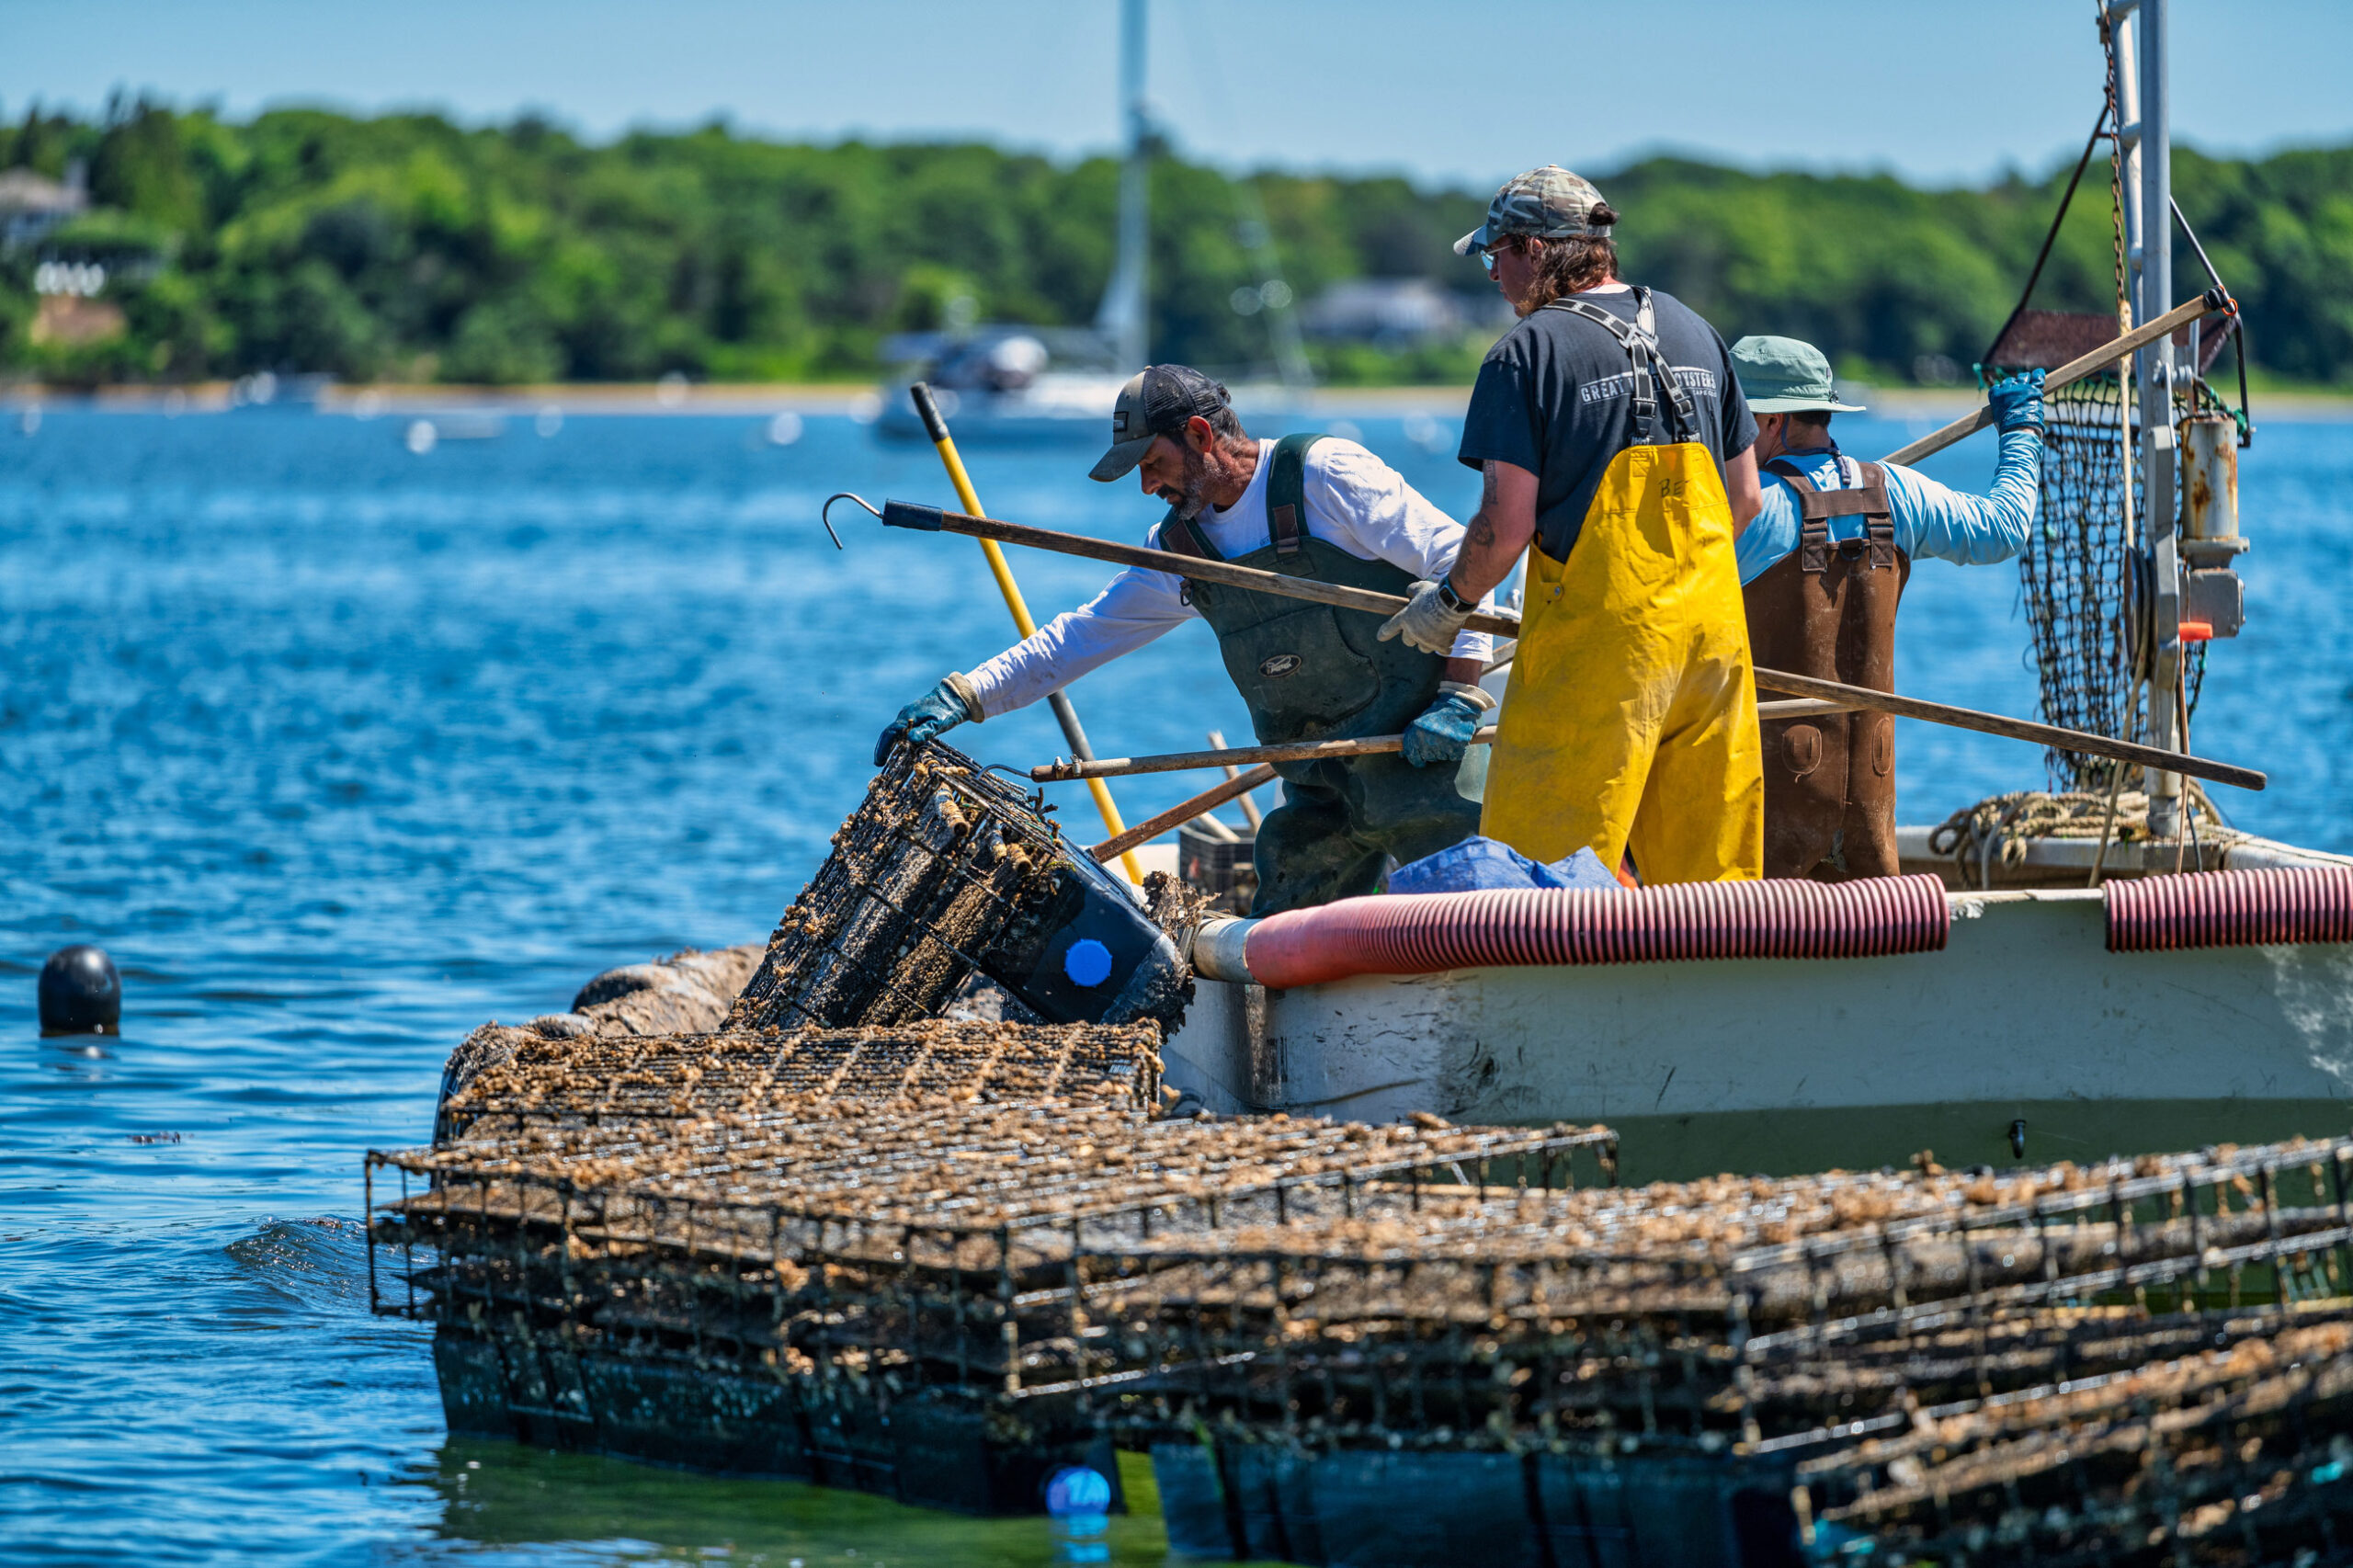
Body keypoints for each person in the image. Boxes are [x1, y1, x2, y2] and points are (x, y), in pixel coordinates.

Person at [876, 364, 1496, 914]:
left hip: (1426, 759)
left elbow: (1465, 557)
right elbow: (1078, 638)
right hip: (1319, 787)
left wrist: (1460, 695)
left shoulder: (1322, 476)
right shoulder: (1180, 549)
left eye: (1154, 465)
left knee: (1473, 914)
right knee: (1281, 926)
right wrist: (964, 696)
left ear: (1200, 436)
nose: (1148, 487)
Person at [1380, 165, 1765, 883]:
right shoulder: (1698, 330)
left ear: (1533, 247)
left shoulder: (1525, 355)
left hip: (1601, 651)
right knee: (1710, 881)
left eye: (1497, 256)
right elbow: (1745, 500)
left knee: (1544, 879)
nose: (1495, 276)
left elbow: (1504, 525)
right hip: (1713, 646)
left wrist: (1449, 605)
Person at [1730, 335, 2045, 881]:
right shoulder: (1897, 491)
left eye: (1733, 423)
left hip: (1768, 824)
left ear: (1771, 424)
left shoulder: (1743, 513)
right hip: (1871, 813)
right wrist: (2022, 432)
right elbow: (2004, 528)